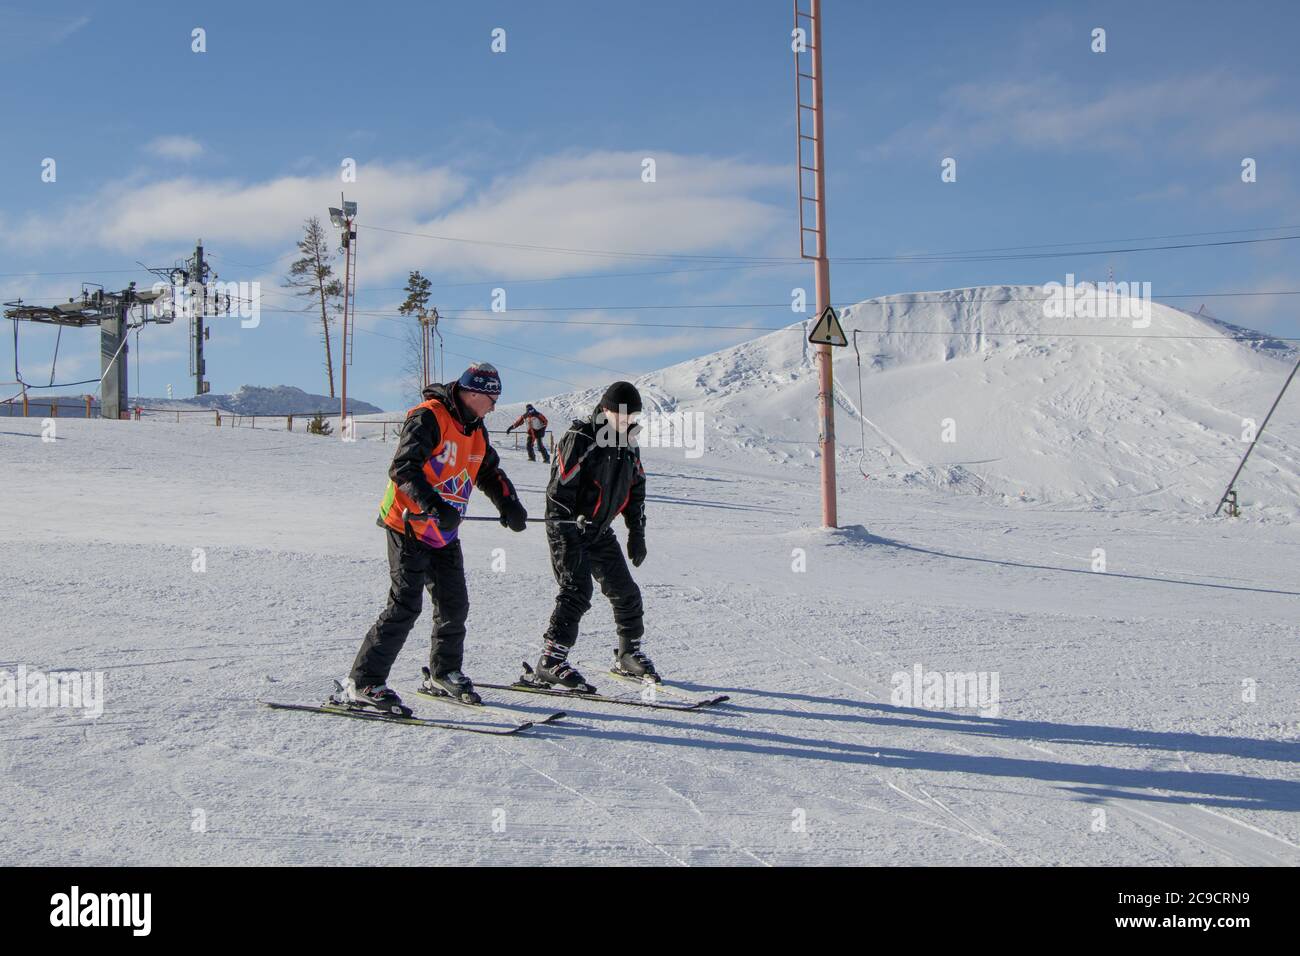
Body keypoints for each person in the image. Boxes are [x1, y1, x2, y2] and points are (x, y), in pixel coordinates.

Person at [344, 362, 528, 711]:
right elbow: (403, 468)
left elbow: (487, 470)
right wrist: (432, 504)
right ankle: (364, 682)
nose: (494, 406)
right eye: (492, 399)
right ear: (473, 393)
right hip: (408, 523)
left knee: (454, 605)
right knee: (404, 606)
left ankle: (443, 673)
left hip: (443, 532)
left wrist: (509, 504)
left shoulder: (476, 428)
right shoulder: (429, 416)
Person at [531, 381, 654, 690]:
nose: (627, 421)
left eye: (633, 415)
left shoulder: (628, 444)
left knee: (626, 591)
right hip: (567, 527)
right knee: (577, 589)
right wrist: (569, 523)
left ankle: (628, 653)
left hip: (598, 529)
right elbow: (558, 491)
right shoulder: (582, 438)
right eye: (622, 415)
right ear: (606, 410)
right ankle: (551, 660)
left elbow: (636, 488)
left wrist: (636, 533)